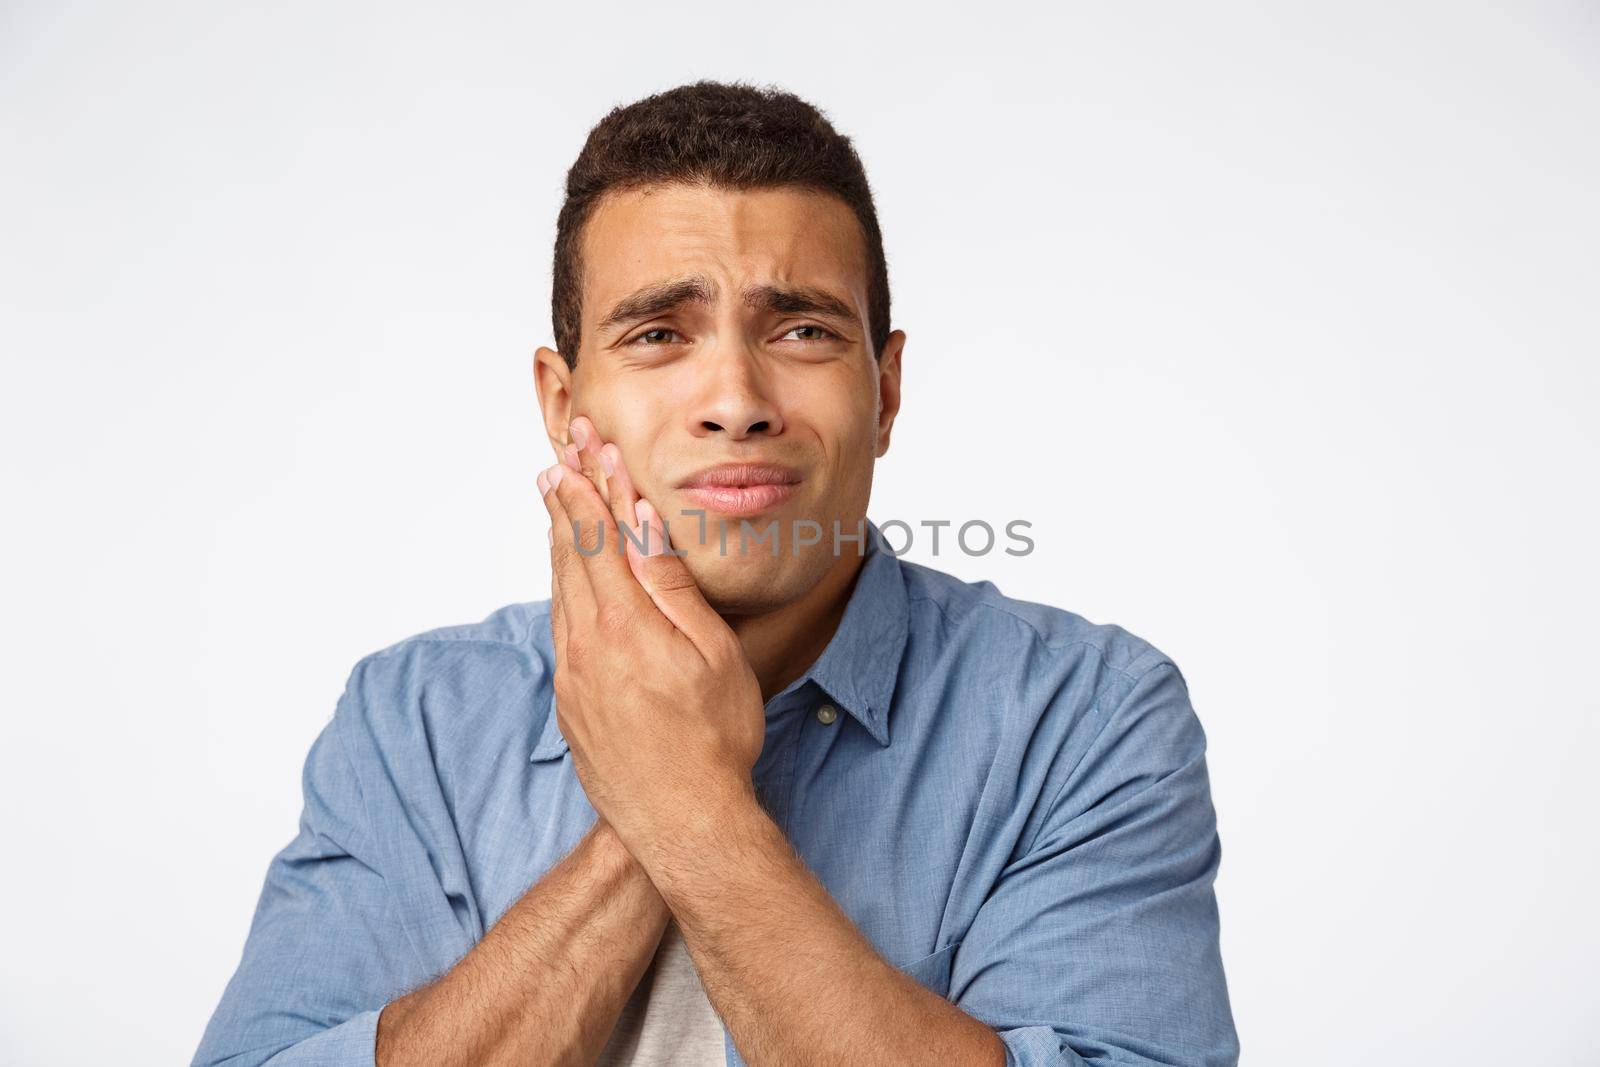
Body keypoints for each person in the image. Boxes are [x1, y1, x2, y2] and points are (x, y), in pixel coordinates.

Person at [192, 80, 1239, 1067]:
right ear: (563, 404)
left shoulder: (1087, 715)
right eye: (657, 333)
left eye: (802, 329)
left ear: (883, 392)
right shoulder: (414, 716)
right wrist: (659, 789)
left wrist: (690, 804)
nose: (735, 397)